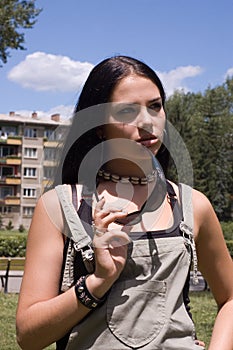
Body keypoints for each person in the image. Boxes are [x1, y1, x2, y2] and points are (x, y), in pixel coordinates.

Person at [16, 56, 233, 350]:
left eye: (155, 106)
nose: (147, 121)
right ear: (98, 125)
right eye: (128, 111)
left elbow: (230, 297)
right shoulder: (59, 206)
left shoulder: (193, 204)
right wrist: (99, 281)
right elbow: (28, 336)